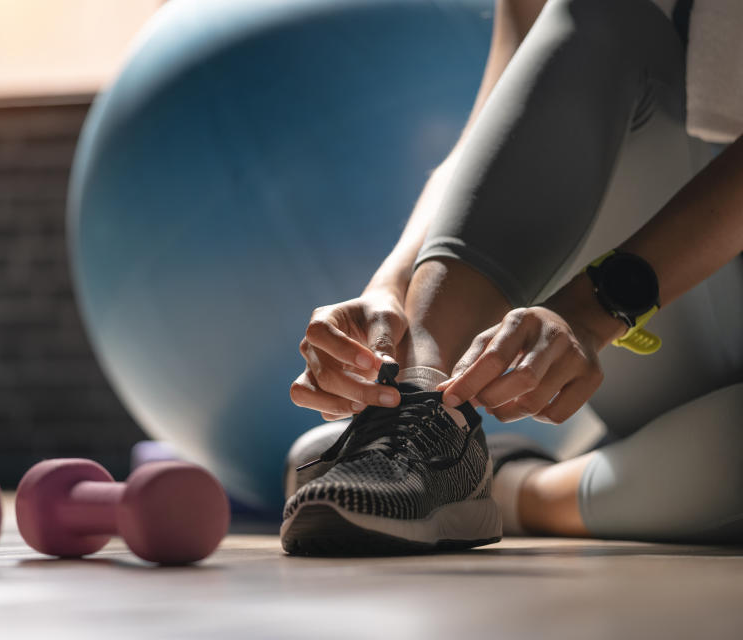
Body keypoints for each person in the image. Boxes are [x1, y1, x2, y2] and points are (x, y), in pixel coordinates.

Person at [281, 0, 743, 554]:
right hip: (684, 331)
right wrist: (392, 284)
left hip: (649, 293)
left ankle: (512, 486)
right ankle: (421, 422)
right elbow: (498, 132)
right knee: (606, 11)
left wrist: (594, 311)